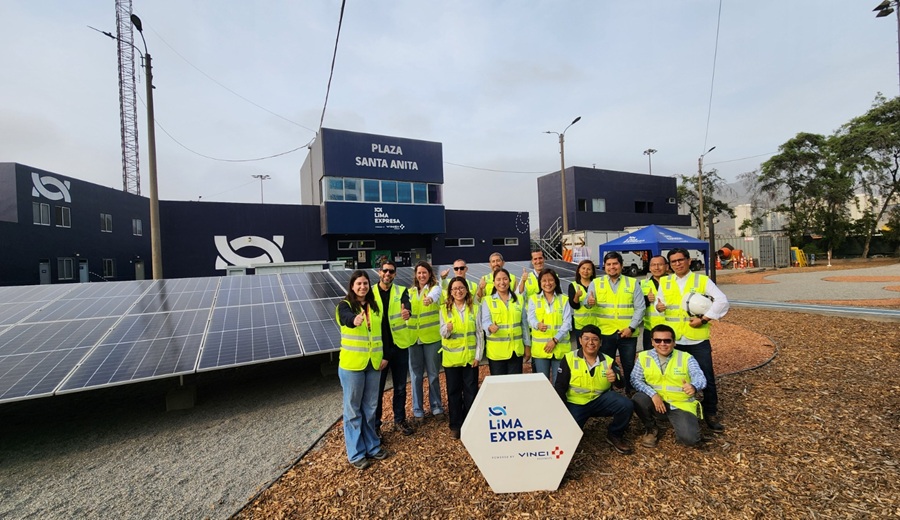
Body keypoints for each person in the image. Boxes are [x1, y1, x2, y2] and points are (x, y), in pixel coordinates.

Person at [655, 247, 730, 433]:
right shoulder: (665, 281)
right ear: (669, 265)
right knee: (674, 377)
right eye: (673, 261)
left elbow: (722, 301)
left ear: (689, 260)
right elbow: (659, 304)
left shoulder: (701, 280)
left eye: (680, 260)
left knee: (706, 377)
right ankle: (680, 410)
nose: (677, 264)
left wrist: (704, 318)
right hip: (674, 340)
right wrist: (659, 307)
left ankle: (710, 413)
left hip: (696, 339)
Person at [334, 270, 389, 470]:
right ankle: (356, 453)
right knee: (353, 410)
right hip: (352, 366)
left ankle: (373, 447)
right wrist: (354, 320)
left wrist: (385, 356)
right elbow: (345, 318)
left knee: (370, 408)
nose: (363, 287)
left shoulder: (374, 307)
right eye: (359, 284)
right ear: (352, 286)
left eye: (365, 283)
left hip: (373, 365)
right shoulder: (345, 306)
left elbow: (382, 333)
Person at [554, 324, 634, 455]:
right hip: (576, 403)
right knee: (567, 439)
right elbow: (560, 387)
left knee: (626, 405)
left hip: (600, 401)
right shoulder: (569, 358)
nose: (590, 342)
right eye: (586, 338)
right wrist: (562, 414)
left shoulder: (608, 360)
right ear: (580, 340)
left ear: (601, 342)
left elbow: (621, 384)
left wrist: (616, 379)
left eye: (595, 339)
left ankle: (615, 434)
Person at [631, 324, 707, 447]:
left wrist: (693, 386)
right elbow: (635, 379)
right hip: (656, 402)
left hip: (680, 404)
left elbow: (700, 377)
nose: (663, 344)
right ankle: (651, 428)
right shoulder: (644, 357)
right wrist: (653, 394)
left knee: (690, 440)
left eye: (667, 340)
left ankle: (682, 424)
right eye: (658, 340)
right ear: (652, 342)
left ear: (674, 342)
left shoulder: (686, 358)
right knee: (638, 398)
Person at [585, 251, 646, 394]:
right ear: (604, 266)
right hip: (605, 333)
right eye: (608, 264)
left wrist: (631, 328)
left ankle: (631, 392)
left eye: (615, 264)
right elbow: (587, 303)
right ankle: (608, 392)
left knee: (629, 364)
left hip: (627, 333)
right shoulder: (596, 283)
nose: (612, 267)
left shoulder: (632, 283)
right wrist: (589, 302)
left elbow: (640, 308)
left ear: (621, 265)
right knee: (606, 365)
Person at [372, 261, 415, 437]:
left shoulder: (401, 291)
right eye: (385, 271)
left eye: (391, 272)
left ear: (395, 274)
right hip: (380, 349)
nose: (387, 274)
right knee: (377, 390)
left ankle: (400, 420)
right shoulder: (370, 292)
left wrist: (408, 312)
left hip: (399, 347)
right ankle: (375, 425)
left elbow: (407, 304)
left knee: (399, 387)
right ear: (379, 273)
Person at [440, 276, 484, 439]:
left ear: (466, 290)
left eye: (461, 288)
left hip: (470, 359)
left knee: (471, 391)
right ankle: (456, 425)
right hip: (451, 360)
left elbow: (479, 333)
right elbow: (442, 333)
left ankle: (471, 423)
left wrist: (478, 356)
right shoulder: (444, 309)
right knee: (453, 393)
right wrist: (447, 329)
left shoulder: (475, 308)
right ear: (450, 293)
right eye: (455, 289)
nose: (458, 291)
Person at [407, 261, 445, 423]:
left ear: (430, 274)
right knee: (415, 376)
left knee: (433, 375)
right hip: (413, 339)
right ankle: (418, 410)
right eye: (419, 273)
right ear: (416, 275)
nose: (422, 275)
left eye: (425, 272)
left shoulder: (435, 289)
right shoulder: (409, 292)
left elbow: (435, 294)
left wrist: (429, 299)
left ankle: (436, 407)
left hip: (431, 339)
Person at [481, 268, 531, 375]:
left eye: (505, 279)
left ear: (509, 281)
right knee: (499, 386)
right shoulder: (487, 301)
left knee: (514, 385)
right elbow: (484, 321)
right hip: (496, 353)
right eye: (498, 279)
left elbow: (524, 325)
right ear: (494, 283)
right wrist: (490, 327)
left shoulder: (518, 299)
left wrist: (527, 346)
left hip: (515, 351)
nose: (502, 282)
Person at [527, 268, 572, 384]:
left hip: (559, 347)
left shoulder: (564, 299)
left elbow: (567, 323)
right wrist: (537, 324)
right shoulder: (533, 299)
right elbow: (530, 318)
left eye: (551, 280)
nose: (548, 284)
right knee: (542, 383)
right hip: (541, 349)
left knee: (559, 383)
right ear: (540, 283)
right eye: (544, 281)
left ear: (556, 282)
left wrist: (555, 340)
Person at [640, 255, 669, 353]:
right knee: (650, 359)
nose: (656, 268)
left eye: (660, 264)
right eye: (653, 265)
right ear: (649, 268)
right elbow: (635, 305)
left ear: (667, 267)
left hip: (671, 327)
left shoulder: (674, 283)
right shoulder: (642, 284)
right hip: (650, 329)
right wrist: (646, 299)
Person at [568, 259, 599, 347]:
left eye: (589, 269)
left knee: (596, 349)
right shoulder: (573, 285)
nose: (585, 271)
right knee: (582, 350)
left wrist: (595, 301)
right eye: (583, 268)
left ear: (592, 272)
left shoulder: (597, 285)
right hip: (580, 325)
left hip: (596, 324)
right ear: (579, 270)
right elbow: (574, 306)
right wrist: (577, 296)